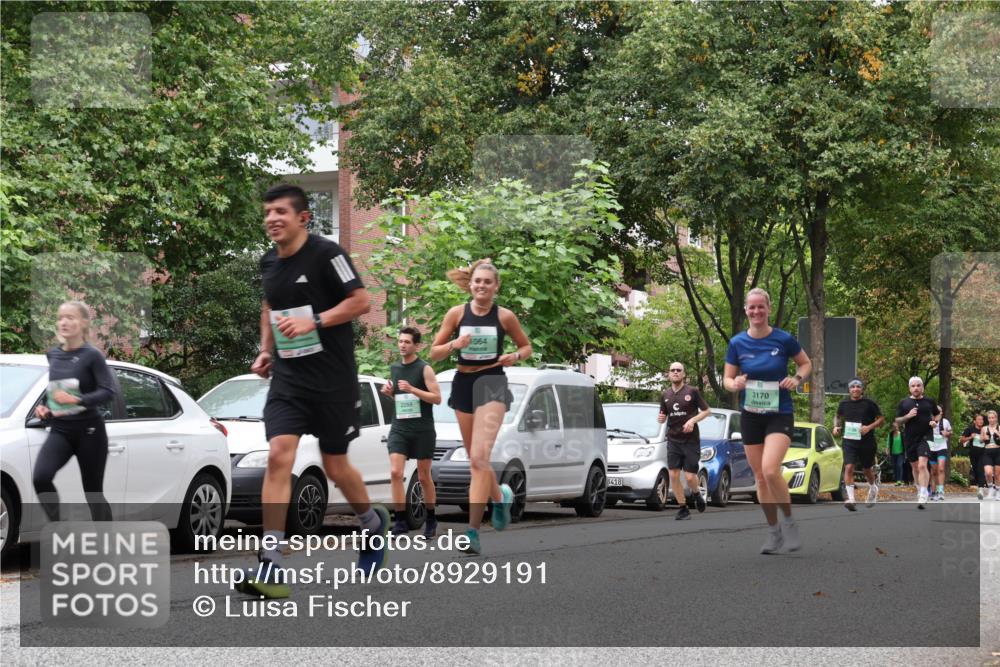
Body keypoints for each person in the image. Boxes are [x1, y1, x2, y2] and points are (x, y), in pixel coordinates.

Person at [238, 183, 388, 599]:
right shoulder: (269, 262)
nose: (272, 218)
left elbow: (361, 301)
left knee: (335, 466)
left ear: (303, 217)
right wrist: (265, 350)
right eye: (268, 211)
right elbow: (269, 307)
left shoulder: (328, 255)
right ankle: (270, 561)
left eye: (281, 211)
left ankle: (373, 524)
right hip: (289, 379)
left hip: (333, 381)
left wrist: (315, 321)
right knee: (278, 456)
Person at [429, 259, 532, 555]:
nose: (482, 286)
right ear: (470, 284)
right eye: (478, 281)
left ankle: (472, 532)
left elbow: (526, 347)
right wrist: (455, 345)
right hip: (463, 383)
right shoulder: (456, 314)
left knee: (477, 459)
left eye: (488, 282)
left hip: (492, 384)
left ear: (495, 286)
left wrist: (516, 356)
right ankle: (500, 497)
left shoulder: (505, 317)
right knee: (478, 460)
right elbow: (434, 353)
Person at [723, 288, 811, 554]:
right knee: (760, 478)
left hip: (779, 413)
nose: (756, 312)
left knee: (771, 469)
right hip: (751, 415)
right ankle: (773, 532)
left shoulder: (783, 339)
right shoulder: (737, 343)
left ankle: (790, 523)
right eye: (752, 307)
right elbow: (727, 380)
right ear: (746, 311)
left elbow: (806, 364)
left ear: (768, 309)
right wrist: (734, 383)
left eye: (761, 307)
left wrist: (796, 380)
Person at [32, 301, 116, 524]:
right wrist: (45, 408)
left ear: (84, 323)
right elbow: (56, 393)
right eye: (60, 318)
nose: (64, 322)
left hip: (90, 431)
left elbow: (108, 391)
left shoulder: (92, 355)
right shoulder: (54, 355)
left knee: (93, 493)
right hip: (61, 430)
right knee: (41, 478)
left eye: (70, 317)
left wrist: (78, 399)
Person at [380, 326, 442, 537]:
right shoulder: (395, 368)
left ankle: (431, 519)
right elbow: (401, 399)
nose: (403, 345)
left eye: (407, 342)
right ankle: (400, 521)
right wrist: (391, 394)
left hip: (422, 429)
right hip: (400, 427)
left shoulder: (424, 369)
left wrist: (413, 389)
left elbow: (437, 398)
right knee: (395, 473)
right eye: (401, 341)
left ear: (417, 345)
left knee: (424, 476)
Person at [656, 362, 711, 520]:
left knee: (689, 477)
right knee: (673, 475)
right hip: (673, 439)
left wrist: (692, 421)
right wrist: (660, 418)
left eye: (678, 370)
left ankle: (696, 494)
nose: (675, 372)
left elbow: (707, 411)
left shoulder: (692, 391)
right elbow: (663, 416)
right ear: (668, 374)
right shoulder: (665, 395)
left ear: (683, 374)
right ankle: (683, 508)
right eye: (672, 370)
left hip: (690, 441)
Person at [832, 378, 885, 510]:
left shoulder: (869, 403)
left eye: (858, 387)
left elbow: (881, 419)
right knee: (849, 467)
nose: (855, 389)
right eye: (852, 387)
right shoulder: (843, 403)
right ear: (849, 390)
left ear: (862, 389)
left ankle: (873, 487)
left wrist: (869, 427)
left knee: (867, 469)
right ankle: (851, 498)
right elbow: (837, 416)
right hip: (849, 440)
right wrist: (836, 426)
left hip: (867, 442)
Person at [894, 377, 942, 510]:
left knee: (922, 465)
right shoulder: (904, 403)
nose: (916, 388)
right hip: (910, 438)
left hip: (926, 437)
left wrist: (935, 422)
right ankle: (919, 487)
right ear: (910, 388)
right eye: (913, 386)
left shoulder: (929, 402)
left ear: (922, 387)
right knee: (915, 467)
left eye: (918, 385)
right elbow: (897, 421)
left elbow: (938, 414)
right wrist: (908, 416)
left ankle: (923, 493)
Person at [927, 414, 952, 501]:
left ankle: (941, 491)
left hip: (942, 447)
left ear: (941, 413)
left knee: (941, 469)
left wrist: (947, 433)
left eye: (939, 412)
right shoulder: (928, 422)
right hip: (932, 447)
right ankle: (934, 492)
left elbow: (950, 432)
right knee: (934, 471)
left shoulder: (945, 422)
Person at [960, 414, 986, 499]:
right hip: (973, 454)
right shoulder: (969, 429)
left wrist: (985, 438)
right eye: (979, 419)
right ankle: (980, 486)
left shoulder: (985, 429)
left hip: (983, 453)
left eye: (982, 420)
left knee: (980, 469)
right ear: (974, 421)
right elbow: (962, 440)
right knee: (976, 470)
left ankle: (981, 489)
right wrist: (971, 437)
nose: (981, 421)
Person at [981, 410, 1000, 500]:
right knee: (988, 472)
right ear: (987, 419)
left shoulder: (999, 427)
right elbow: (980, 440)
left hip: (998, 451)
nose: (991, 419)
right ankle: (991, 488)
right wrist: (983, 438)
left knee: (997, 474)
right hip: (987, 451)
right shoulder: (984, 428)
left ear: (996, 418)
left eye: (993, 417)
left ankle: (998, 492)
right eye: (989, 418)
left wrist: (998, 433)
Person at [887, 422, 906, 487]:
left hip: (900, 453)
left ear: (898, 427)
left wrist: (906, 452)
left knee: (899, 465)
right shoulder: (890, 434)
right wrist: (887, 449)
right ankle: (897, 480)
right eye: (893, 427)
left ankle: (899, 480)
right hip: (893, 453)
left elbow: (904, 443)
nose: (895, 428)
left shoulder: (901, 434)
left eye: (896, 427)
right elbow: (888, 442)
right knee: (895, 467)